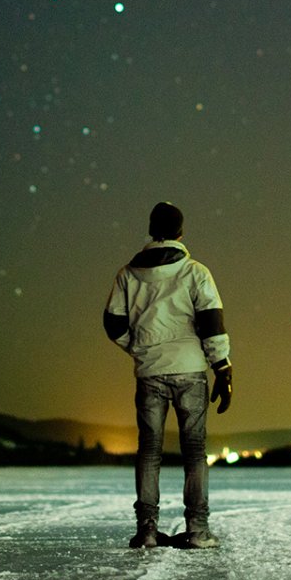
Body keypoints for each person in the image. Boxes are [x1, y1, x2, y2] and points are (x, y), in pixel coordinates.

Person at [103, 201, 233, 549]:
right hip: (190, 370)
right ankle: (197, 530)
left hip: (150, 372)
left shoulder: (127, 274)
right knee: (194, 451)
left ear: (151, 230)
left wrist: (139, 347)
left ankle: (146, 531)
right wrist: (222, 366)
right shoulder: (195, 272)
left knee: (149, 452)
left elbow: (113, 323)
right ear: (180, 232)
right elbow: (211, 322)